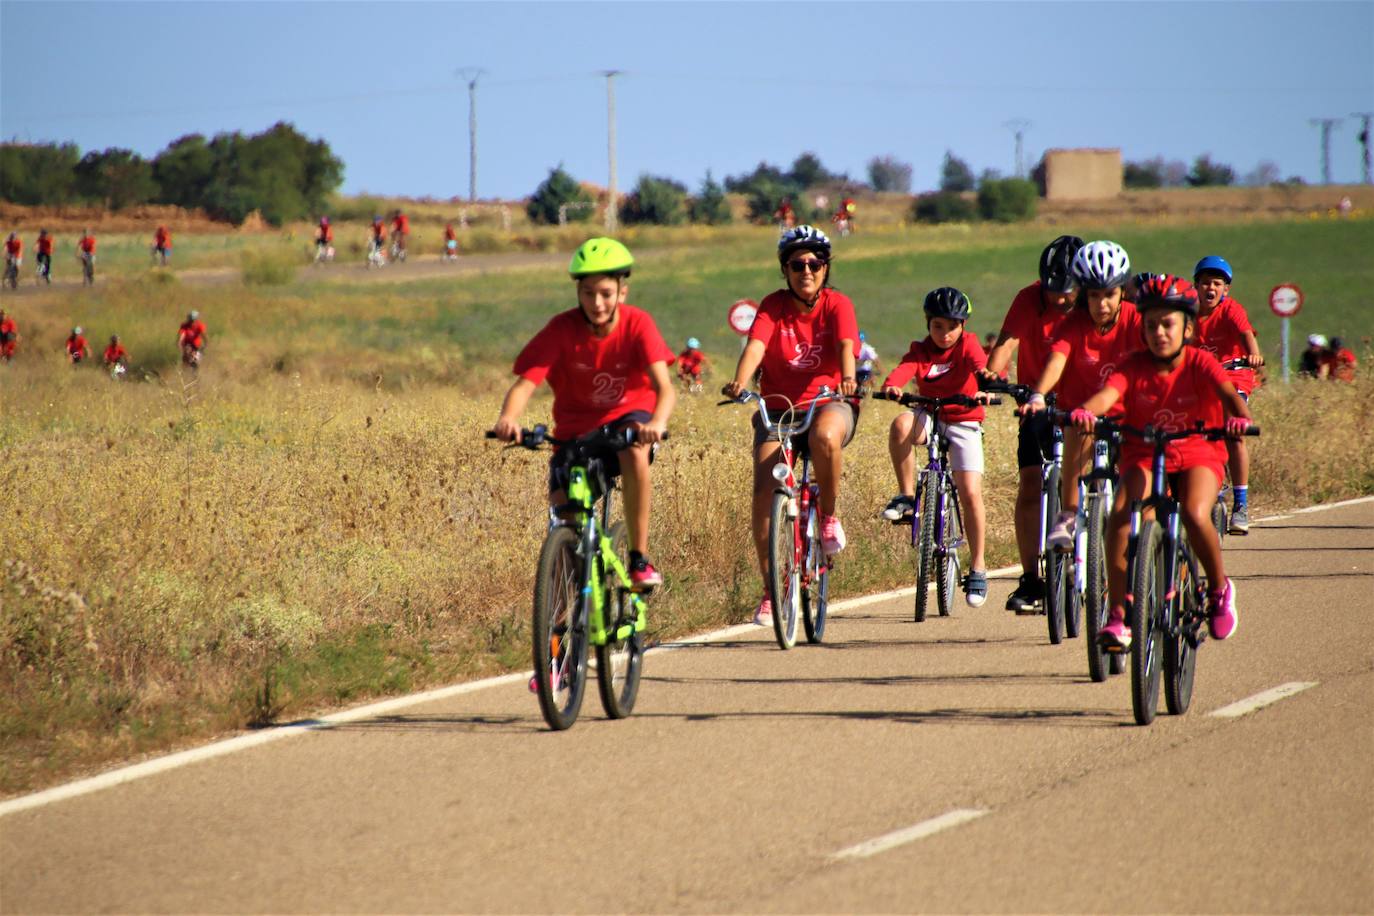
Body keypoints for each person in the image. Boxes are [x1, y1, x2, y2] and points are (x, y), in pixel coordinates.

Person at [1069, 275, 1250, 649]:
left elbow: (1230, 396)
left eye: (1168, 324)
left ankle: (1218, 589)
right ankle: (1119, 615)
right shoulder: (1132, 365)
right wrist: (1085, 411)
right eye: (1151, 325)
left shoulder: (1200, 362)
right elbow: (1107, 395)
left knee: (1195, 513)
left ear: (1188, 328)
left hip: (1199, 450)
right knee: (1121, 513)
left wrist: (1240, 419)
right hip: (1145, 453)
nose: (1159, 333)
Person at [489, 237, 675, 591]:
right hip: (576, 435)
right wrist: (508, 418)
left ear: (622, 293)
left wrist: (657, 422)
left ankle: (639, 558)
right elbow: (525, 384)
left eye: (606, 293)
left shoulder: (638, 324)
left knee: (634, 451)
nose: (597, 302)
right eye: (588, 293)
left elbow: (664, 388)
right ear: (578, 293)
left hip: (628, 422)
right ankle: (562, 615)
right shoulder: (562, 329)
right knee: (563, 520)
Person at [722, 225, 859, 626]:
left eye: (815, 264)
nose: (806, 271)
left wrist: (848, 378)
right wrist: (740, 382)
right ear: (785, 270)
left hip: (827, 402)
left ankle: (828, 517)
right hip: (779, 410)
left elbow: (846, 346)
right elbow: (756, 346)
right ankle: (772, 591)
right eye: (797, 265)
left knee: (825, 436)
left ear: (826, 268)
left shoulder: (837, 304)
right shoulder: (773, 305)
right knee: (765, 492)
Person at [981, 235, 1083, 612]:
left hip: (1083, 404)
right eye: (1052, 290)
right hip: (1035, 404)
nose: (1058, 299)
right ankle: (1030, 580)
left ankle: (1101, 564)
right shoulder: (1029, 298)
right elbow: (1007, 343)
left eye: (1066, 291)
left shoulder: (1095, 302)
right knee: (1029, 483)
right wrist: (991, 377)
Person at [880, 287, 992, 607]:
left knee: (970, 492)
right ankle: (907, 497)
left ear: (963, 326)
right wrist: (892, 386)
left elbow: (979, 366)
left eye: (952, 327)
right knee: (901, 424)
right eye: (937, 326)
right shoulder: (921, 350)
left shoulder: (968, 345)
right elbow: (904, 369)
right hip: (930, 414)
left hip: (964, 420)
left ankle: (978, 567)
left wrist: (984, 386)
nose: (944, 334)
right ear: (928, 324)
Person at [1024, 239, 1139, 549]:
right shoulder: (1073, 324)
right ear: (1083, 294)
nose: (1102, 305)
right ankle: (1069, 514)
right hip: (1082, 412)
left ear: (1123, 291)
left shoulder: (1136, 320)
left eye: (1109, 295)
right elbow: (1056, 360)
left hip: (1128, 414)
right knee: (1076, 430)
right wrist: (1038, 394)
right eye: (1094, 296)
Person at [1191, 255, 1264, 534]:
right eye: (1205, 283)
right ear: (1196, 286)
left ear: (1226, 289)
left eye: (1217, 283)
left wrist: (1253, 355)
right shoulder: (1189, 312)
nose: (1210, 288)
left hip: (1233, 376)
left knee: (1233, 431)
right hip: (1201, 379)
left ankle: (1241, 505)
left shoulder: (1231, 309)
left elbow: (1246, 335)